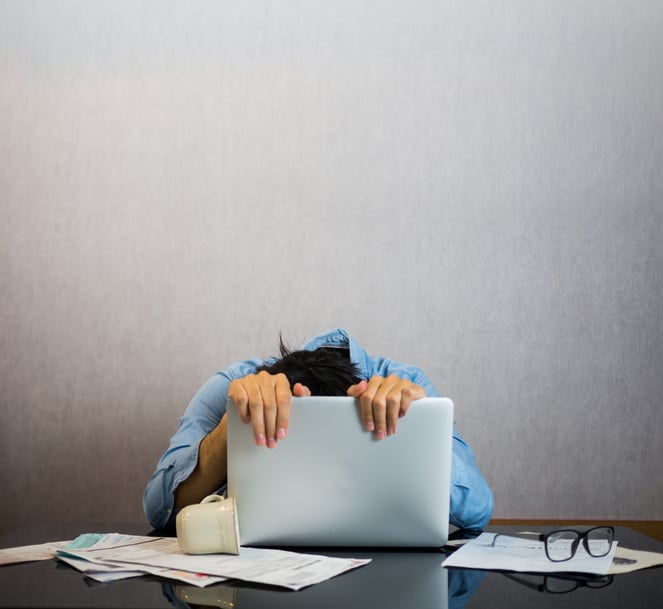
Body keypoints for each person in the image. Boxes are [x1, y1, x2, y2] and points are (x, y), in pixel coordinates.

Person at [143, 328, 494, 531]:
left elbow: (478, 508)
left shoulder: (407, 386)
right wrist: (231, 425)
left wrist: (415, 434)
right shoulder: (234, 385)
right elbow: (158, 508)